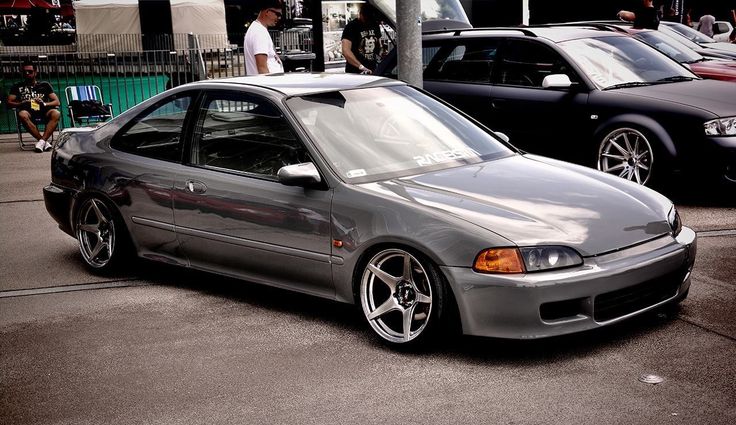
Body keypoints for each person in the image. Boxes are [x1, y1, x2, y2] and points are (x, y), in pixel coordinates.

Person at [6, 61, 60, 153]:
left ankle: (41, 142)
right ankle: (43, 142)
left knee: (56, 113)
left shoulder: (44, 85)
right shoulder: (17, 86)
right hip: (28, 113)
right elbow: (9, 102)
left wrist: (44, 103)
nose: (27, 74)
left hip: (44, 111)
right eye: (25, 72)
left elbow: (57, 102)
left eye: (30, 71)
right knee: (22, 114)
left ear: (35, 72)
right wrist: (22, 103)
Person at [244, 0, 284, 75]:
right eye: (277, 14)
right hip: (267, 82)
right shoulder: (259, 32)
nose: (279, 18)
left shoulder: (257, 29)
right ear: (267, 12)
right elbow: (262, 67)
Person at [341, 4, 383, 74]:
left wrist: (381, 53)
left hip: (373, 69)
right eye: (365, 16)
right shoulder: (351, 26)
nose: (367, 19)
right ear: (360, 13)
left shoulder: (375, 25)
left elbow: (379, 44)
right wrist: (361, 67)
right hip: (355, 71)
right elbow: (346, 51)